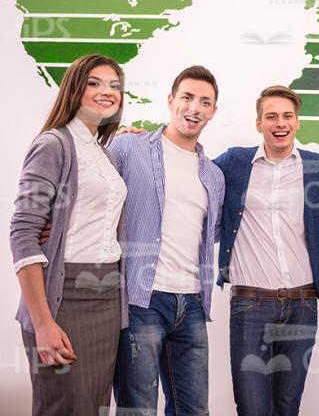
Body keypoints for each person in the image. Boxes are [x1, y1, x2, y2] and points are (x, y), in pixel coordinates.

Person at [10, 54, 127, 416]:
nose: (106, 92)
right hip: (64, 298)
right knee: (62, 407)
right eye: (94, 83)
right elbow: (23, 234)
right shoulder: (53, 145)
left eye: (115, 86)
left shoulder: (105, 155)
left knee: (92, 408)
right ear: (74, 89)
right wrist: (43, 323)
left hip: (107, 298)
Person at [111, 66, 225, 416]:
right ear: (171, 100)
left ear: (213, 111)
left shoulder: (214, 175)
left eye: (205, 102)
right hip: (141, 301)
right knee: (138, 408)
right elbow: (94, 194)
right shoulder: (129, 147)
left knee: (194, 409)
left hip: (191, 304)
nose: (195, 107)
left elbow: (213, 233)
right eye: (187, 97)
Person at [214, 85, 319, 416]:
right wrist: (136, 138)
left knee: (287, 406)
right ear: (258, 123)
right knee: (252, 407)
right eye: (271, 116)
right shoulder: (236, 162)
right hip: (251, 305)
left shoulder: (316, 166)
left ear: (297, 121)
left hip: (302, 304)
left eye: (287, 116)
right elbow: (190, 167)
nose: (280, 123)